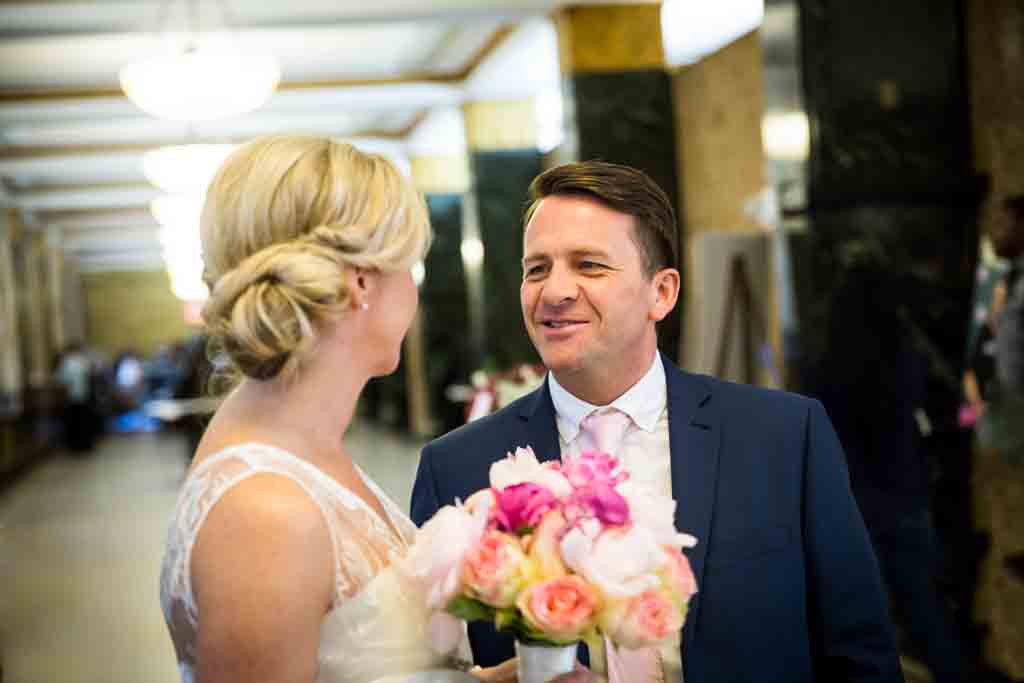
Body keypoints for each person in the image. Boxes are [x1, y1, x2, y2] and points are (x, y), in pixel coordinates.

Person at [412, 161, 904, 682]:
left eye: (589, 265)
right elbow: (431, 666)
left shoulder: (783, 438)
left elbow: (860, 654)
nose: (554, 291)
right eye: (537, 269)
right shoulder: (458, 469)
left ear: (661, 293)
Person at [158, 135, 518, 683]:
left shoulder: (301, 444)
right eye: (411, 268)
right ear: (361, 283)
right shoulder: (265, 514)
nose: (414, 295)